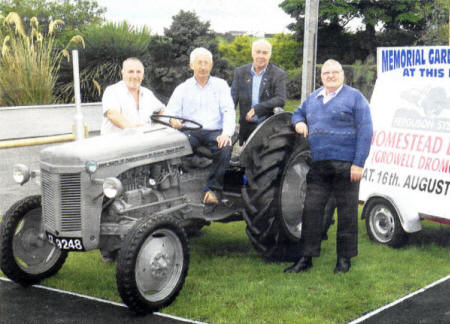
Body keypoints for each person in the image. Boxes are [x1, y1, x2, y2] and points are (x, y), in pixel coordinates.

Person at [285, 59, 373, 274]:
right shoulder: (313, 98)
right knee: (311, 212)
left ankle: (344, 260)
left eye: (335, 72)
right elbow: (297, 112)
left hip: (347, 167)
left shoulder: (355, 98)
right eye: (326, 73)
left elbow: (366, 131)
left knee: (347, 214)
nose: (331, 76)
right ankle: (306, 258)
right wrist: (299, 122)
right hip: (319, 166)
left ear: (342, 75)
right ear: (321, 76)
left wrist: (358, 164)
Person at [165, 47, 235, 205]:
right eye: (199, 63)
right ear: (191, 65)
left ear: (211, 66)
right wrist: (173, 121)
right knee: (173, 148)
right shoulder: (182, 88)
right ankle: (180, 187)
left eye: (206, 63)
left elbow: (228, 111)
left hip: (214, 132)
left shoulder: (221, 85)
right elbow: (170, 113)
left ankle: (212, 189)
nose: (203, 67)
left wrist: (226, 134)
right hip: (191, 132)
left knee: (225, 147)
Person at [231, 39, 286, 145]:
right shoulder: (240, 72)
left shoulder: (278, 74)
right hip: (246, 127)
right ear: (252, 53)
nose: (261, 56)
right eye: (258, 52)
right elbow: (232, 100)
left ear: (270, 55)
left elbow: (280, 99)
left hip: (268, 128)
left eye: (265, 53)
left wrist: (258, 109)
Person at [100, 57, 164, 135]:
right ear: (123, 74)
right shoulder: (112, 91)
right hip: (116, 144)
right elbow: (112, 114)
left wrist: (161, 128)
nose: (135, 76)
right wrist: (133, 129)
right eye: (131, 72)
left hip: (144, 143)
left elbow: (162, 110)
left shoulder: (148, 94)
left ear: (143, 75)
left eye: (138, 72)